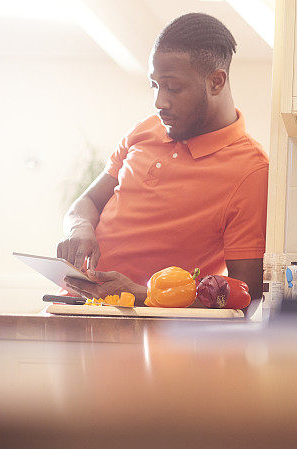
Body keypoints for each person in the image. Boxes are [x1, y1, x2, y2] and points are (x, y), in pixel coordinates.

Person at [58, 13, 267, 306]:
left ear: (216, 82)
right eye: (154, 85)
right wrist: (80, 229)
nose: (159, 102)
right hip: (76, 308)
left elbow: (246, 293)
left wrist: (141, 294)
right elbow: (87, 202)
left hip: (152, 331)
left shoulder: (251, 169)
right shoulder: (146, 129)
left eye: (173, 87)